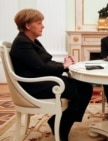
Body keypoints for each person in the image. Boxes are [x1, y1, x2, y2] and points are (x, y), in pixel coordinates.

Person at [10, 9, 93, 141]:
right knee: (83, 89)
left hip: (41, 80)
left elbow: (45, 62)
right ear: (28, 25)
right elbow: (41, 67)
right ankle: (61, 126)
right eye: (39, 23)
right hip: (33, 86)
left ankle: (58, 122)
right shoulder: (22, 43)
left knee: (85, 86)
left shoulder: (31, 41)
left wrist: (64, 64)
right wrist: (63, 67)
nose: (43, 26)